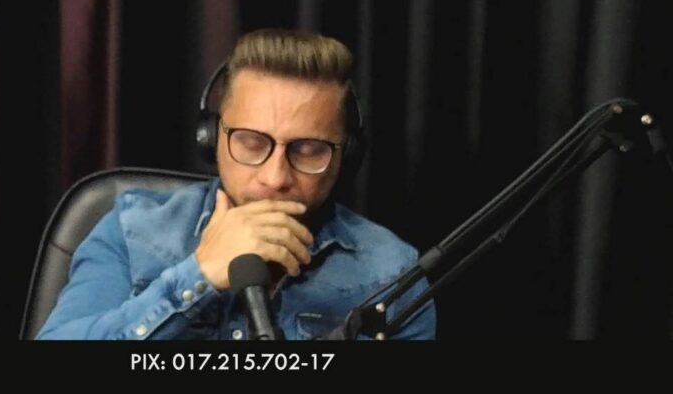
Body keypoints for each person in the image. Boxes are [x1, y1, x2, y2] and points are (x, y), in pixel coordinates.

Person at [37, 28, 436, 340]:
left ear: (346, 155)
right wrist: (199, 275)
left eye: (309, 150)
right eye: (252, 142)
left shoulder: (392, 272)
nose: (275, 178)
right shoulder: (131, 231)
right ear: (211, 138)